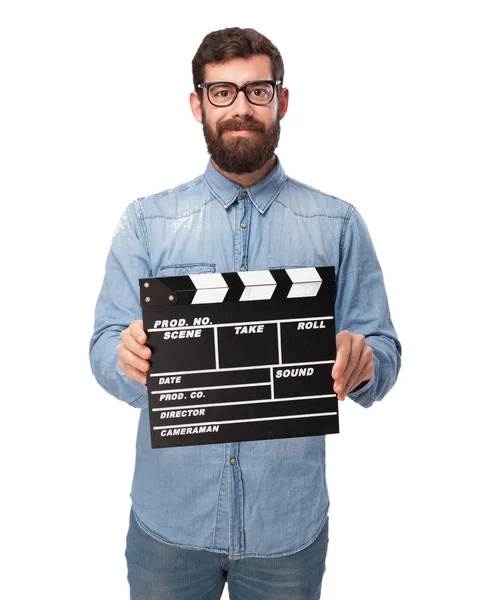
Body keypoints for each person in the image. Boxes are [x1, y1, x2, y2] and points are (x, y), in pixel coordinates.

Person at [89, 26, 401, 600]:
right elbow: (105, 345)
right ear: (197, 105)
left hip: (287, 528)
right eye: (222, 92)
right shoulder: (146, 222)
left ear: (281, 101)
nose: (240, 108)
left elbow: (383, 350)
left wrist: (365, 363)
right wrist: (124, 357)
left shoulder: (337, 223)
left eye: (257, 91)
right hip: (170, 522)